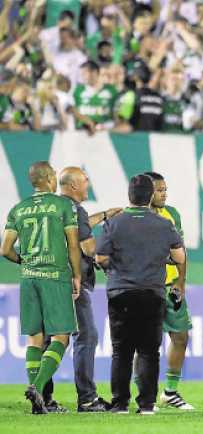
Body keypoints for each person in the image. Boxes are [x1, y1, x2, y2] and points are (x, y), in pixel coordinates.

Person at [95, 175, 185, 414]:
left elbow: (100, 257)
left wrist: (114, 268)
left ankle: (120, 404)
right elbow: (179, 257)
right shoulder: (164, 224)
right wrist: (159, 258)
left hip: (120, 292)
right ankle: (146, 404)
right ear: (150, 196)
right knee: (149, 351)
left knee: (121, 351)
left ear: (129, 196)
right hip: (152, 293)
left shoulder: (114, 223)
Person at [1, 161, 81, 414]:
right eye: (54, 176)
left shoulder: (18, 209)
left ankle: (38, 404)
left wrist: (24, 261)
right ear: (48, 178)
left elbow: (5, 249)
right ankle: (36, 387)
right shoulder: (63, 205)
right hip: (54, 277)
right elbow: (73, 244)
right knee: (61, 337)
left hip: (28, 278)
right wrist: (77, 275)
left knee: (34, 338)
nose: (56, 180)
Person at [58, 167, 122, 412]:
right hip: (73, 282)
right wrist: (110, 240)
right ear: (74, 185)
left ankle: (44, 396)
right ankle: (87, 398)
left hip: (51, 280)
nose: (89, 185)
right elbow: (89, 247)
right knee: (86, 336)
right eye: (85, 181)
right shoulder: (76, 209)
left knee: (51, 338)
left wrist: (104, 215)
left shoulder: (58, 207)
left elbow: (80, 226)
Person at [143, 172, 193, 410]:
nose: (164, 194)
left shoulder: (172, 214)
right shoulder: (135, 216)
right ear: (147, 192)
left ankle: (170, 392)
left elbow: (180, 249)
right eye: (159, 190)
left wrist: (181, 281)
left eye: (165, 189)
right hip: (146, 286)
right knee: (146, 343)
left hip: (171, 286)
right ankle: (145, 395)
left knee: (181, 336)